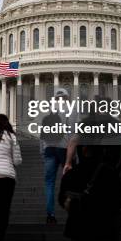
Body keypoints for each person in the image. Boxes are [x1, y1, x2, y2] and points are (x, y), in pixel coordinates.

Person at [60, 96, 121, 241]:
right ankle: (106, 239)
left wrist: (68, 163)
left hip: (87, 175)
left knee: (87, 206)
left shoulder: (84, 124)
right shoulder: (116, 125)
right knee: (109, 211)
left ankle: (87, 237)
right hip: (111, 178)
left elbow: (72, 141)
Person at [41, 88, 76, 224]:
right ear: (67, 97)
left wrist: (43, 151)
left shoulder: (49, 110)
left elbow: (43, 133)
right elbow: (74, 131)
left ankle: (50, 214)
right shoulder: (71, 110)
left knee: (49, 182)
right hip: (64, 148)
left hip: (49, 149)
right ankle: (72, 211)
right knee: (70, 181)